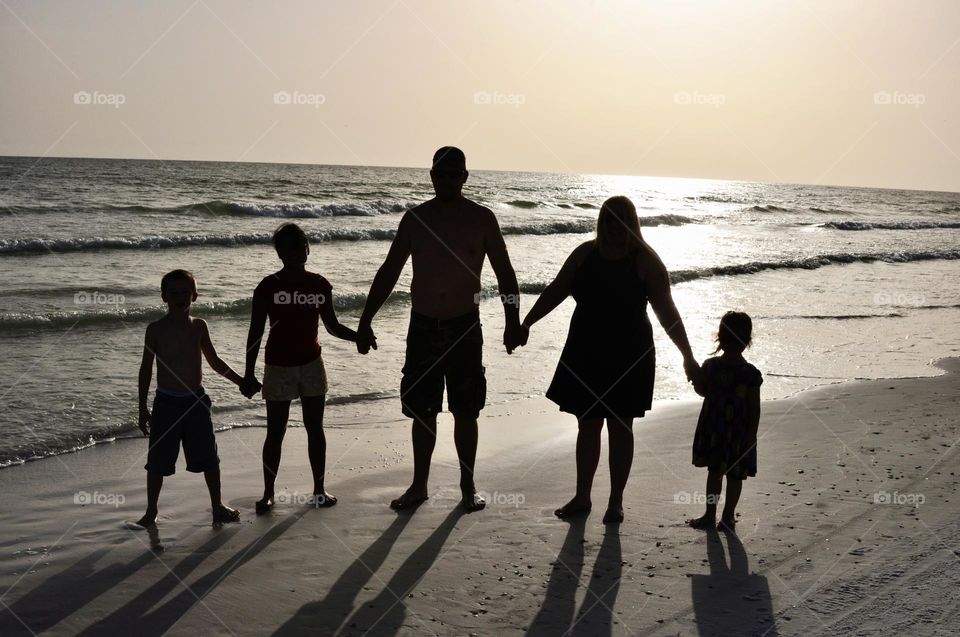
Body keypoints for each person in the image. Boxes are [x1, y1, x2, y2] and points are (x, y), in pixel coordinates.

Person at [356, 146, 525, 512]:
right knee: (422, 410)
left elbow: (505, 274)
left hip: (466, 326)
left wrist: (513, 321)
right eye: (440, 174)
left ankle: (468, 486)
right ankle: (419, 486)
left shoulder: (482, 219)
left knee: (467, 410)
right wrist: (366, 318)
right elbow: (389, 271)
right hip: (423, 327)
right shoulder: (416, 219)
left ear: (465, 177)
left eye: (454, 174)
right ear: (431, 176)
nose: (447, 180)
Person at [522, 196, 699, 524]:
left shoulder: (645, 261)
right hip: (586, 349)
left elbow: (668, 313)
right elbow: (556, 290)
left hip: (630, 354)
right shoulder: (584, 254)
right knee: (587, 423)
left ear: (632, 223)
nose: (615, 227)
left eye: (622, 220)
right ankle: (582, 496)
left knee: (621, 425)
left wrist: (687, 357)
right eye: (609, 220)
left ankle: (616, 501)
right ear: (601, 222)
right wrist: (527, 323)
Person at [243, 223, 358, 515]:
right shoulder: (268, 286)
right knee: (275, 432)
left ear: (307, 247)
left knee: (314, 428)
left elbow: (331, 326)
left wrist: (358, 336)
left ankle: (319, 489)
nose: (299, 250)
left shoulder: (319, 284)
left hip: (311, 363)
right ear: (280, 252)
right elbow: (255, 331)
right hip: (278, 365)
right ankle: (268, 492)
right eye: (292, 245)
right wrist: (248, 372)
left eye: (302, 244)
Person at [136, 269, 248, 528]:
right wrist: (142, 408)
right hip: (166, 404)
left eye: (185, 292)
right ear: (163, 296)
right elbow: (146, 370)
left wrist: (241, 381)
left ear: (195, 296)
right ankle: (151, 511)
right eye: (174, 292)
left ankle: (217, 505)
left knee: (209, 457)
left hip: (196, 402)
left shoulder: (199, 326)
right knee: (157, 462)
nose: (180, 297)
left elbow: (215, 362)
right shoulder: (155, 330)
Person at [687, 311, 762, 532]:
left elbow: (703, 392)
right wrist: (752, 435)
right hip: (739, 432)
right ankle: (727, 517)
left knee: (715, 473)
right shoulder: (750, 374)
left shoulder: (711, 367)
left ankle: (710, 515)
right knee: (735, 476)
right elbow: (754, 409)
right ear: (748, 341)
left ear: (719, 338)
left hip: (715, 429)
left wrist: (695, 380)